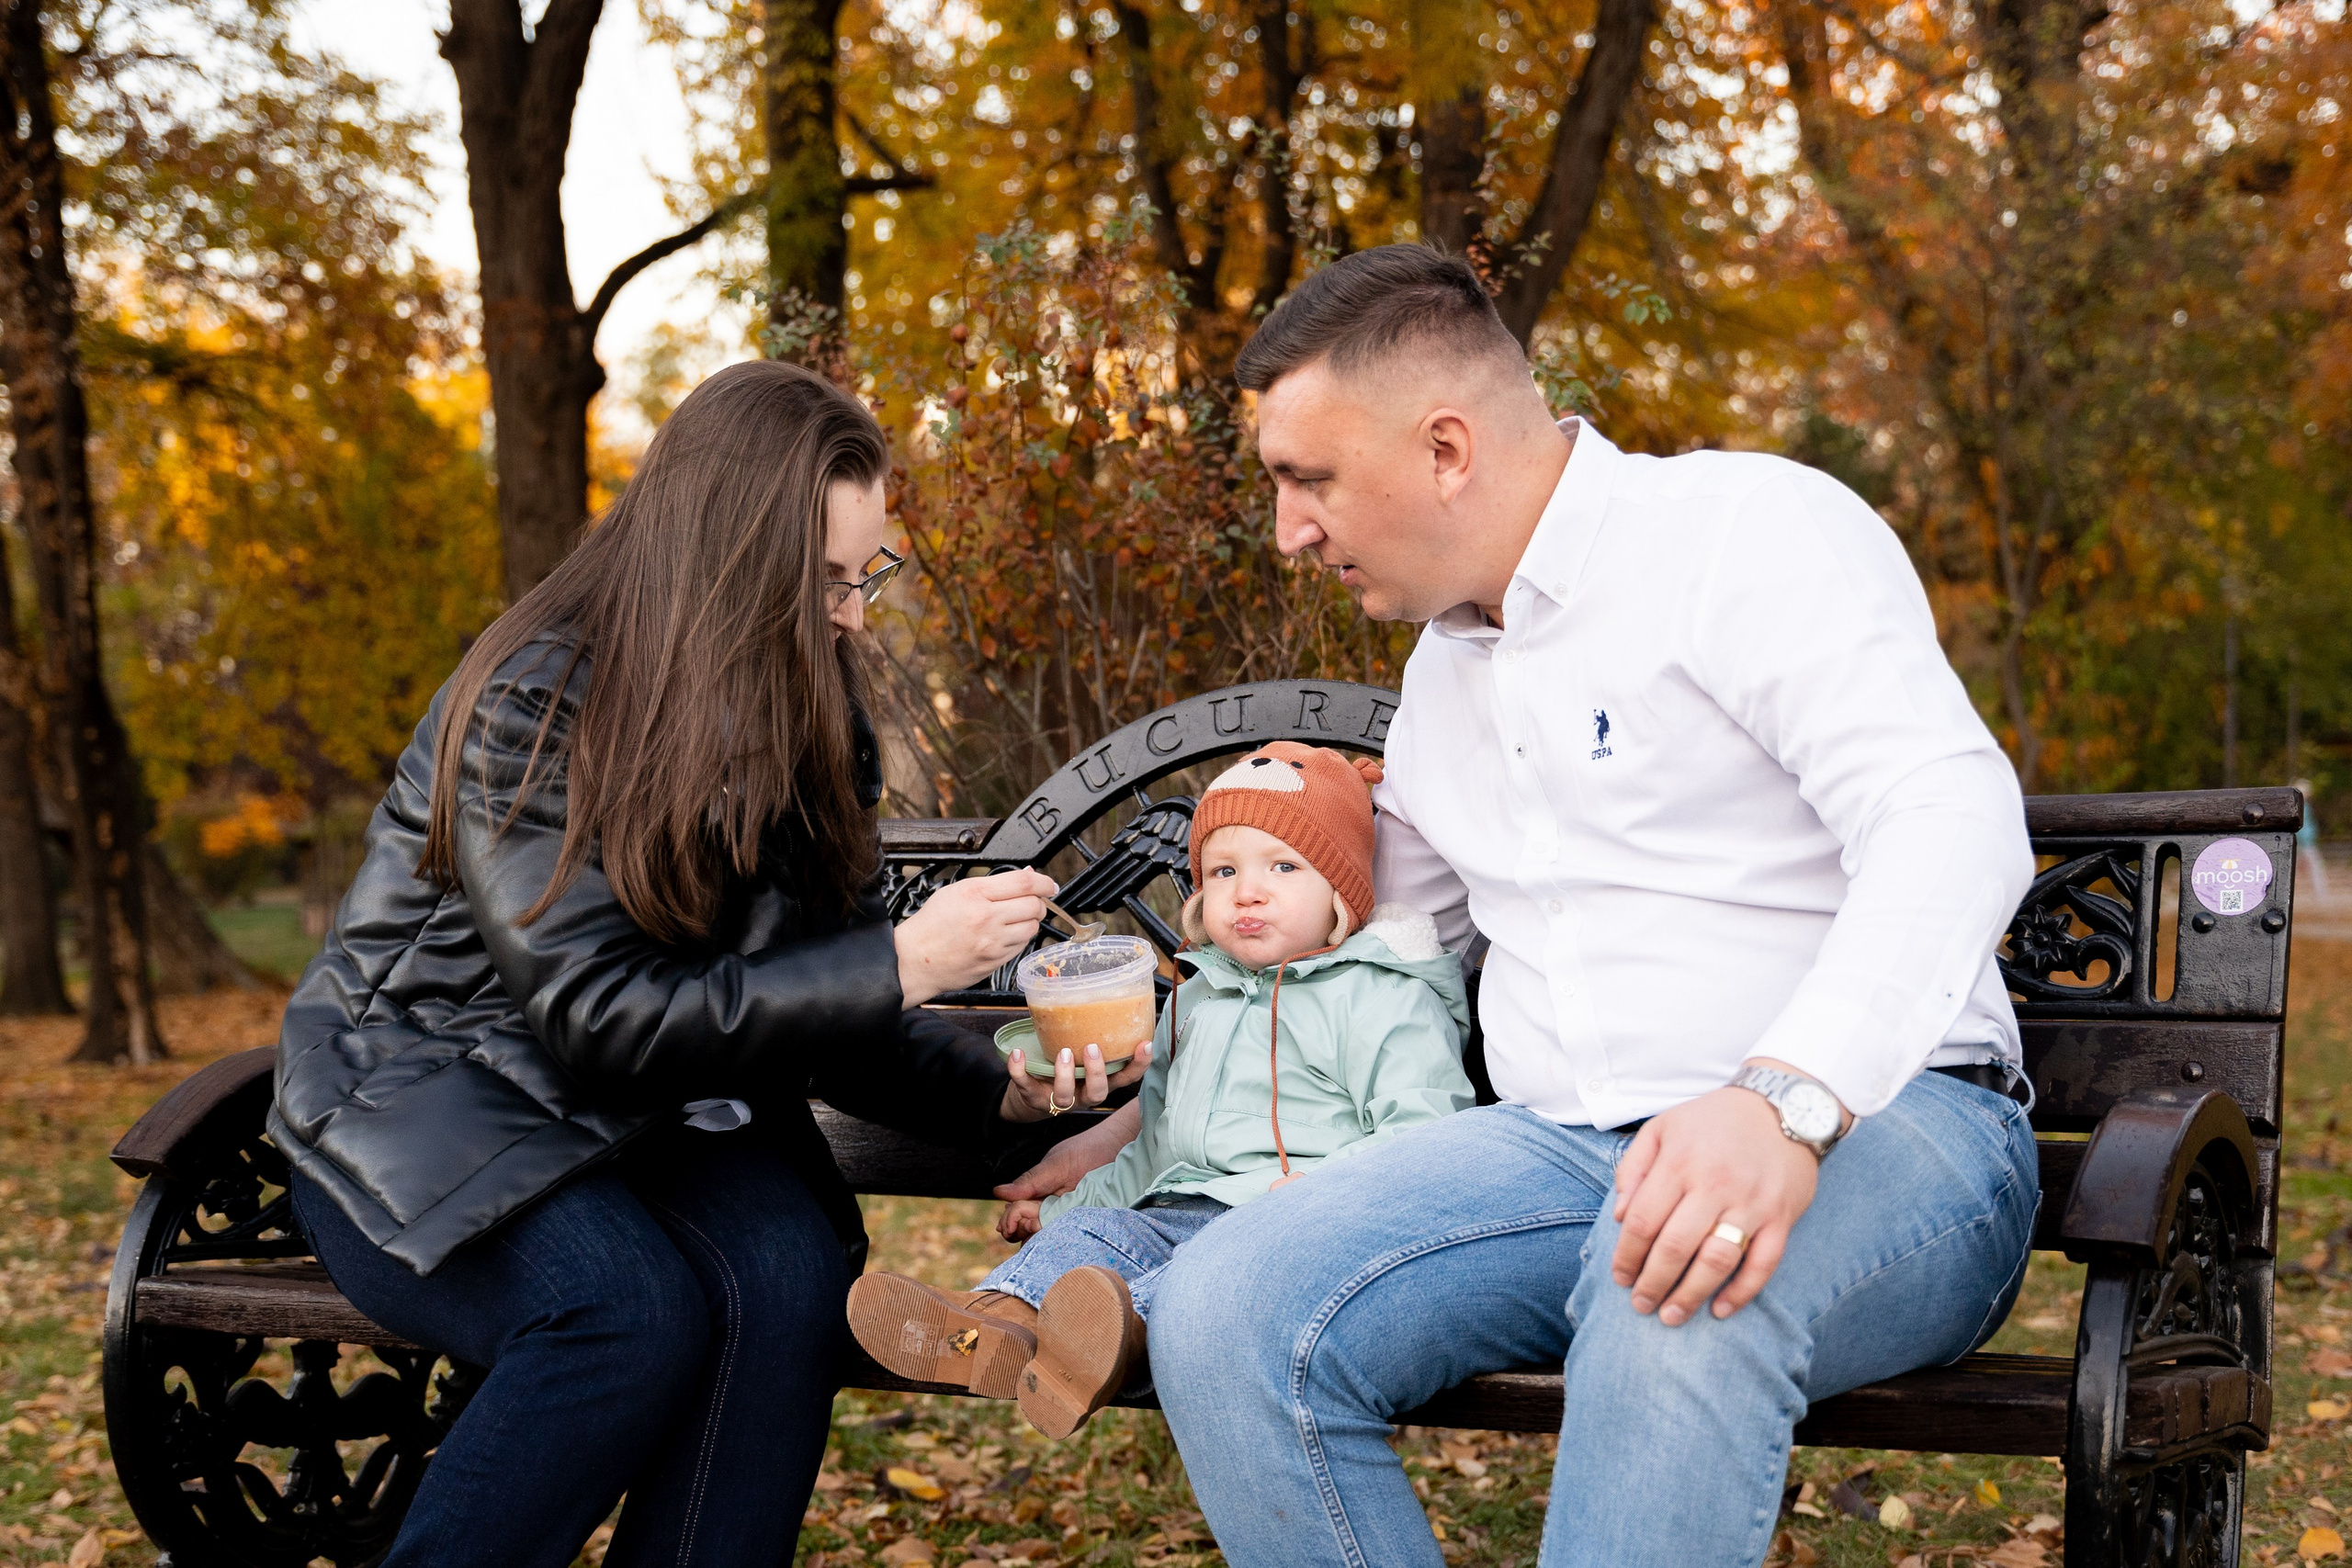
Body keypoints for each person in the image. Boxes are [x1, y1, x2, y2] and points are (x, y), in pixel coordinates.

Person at [1001, 246, 2042, 1568]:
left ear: (1446, 447)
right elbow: (1374, 957)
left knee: (1677, 1282)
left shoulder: (1745, 535)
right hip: (1560, 1152)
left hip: (1891, 1131)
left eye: (1307, 479)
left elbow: (1947, 810)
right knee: (1221, 1304)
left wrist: (1782, 1094)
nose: (1289, 531)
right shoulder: (1446, 676)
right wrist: (1153, 1116)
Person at [269, 360, 1144, 1568]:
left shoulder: (806, 710)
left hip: (642, 1117)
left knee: (787, 1284)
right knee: (623, 1309)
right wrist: (900, 957)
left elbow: (807, 999)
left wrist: (998, 1093)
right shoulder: (536, 696)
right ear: (728, 560)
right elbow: (595, 1017)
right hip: (427, 1104)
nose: (850, 615)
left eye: (863, 576)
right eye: (824, 581)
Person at [847, 742, 1474, 1438]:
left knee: (1170, 1288)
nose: (1248, 890)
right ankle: (987, 1329)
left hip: (1295, 1233)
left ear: (1341, 891)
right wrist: (1066, 1208)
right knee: (1092, 1236)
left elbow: (1424, 1140)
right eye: (1224, 869)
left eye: (1284, 867)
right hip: (1179, 1207)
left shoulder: (1384, 997)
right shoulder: (1197, 999)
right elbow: (1154, 1140)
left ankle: (1099, 1343)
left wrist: (1312, 1203)